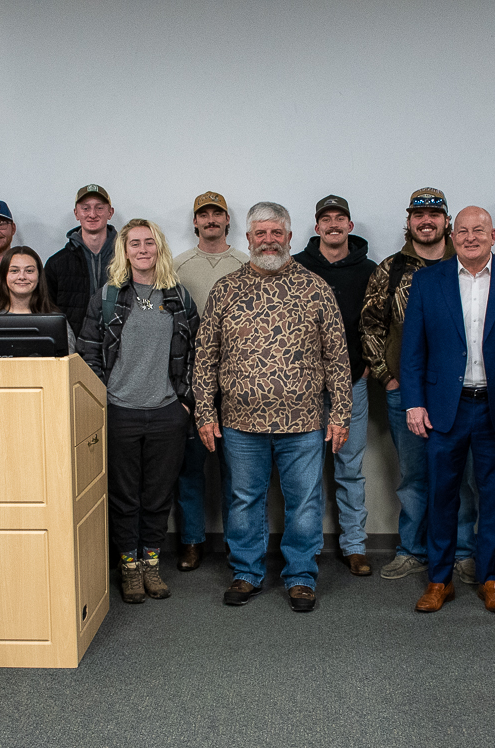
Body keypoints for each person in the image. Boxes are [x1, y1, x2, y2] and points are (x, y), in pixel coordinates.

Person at [194, 202, 351, 613]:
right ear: (247, 239)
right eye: (260, 233)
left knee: (305, 500)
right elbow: (205, 356)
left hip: (303, 422)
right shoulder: (226, 289)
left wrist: (340, 415)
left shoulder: (315, 288)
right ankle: (246, 573)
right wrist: (205, 414)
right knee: (244, 499)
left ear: (290, 237)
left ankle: (300, 576)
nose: (268, 240)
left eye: (276, 233)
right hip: (241, 422)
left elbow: (337, 358)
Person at [400, 206, 495, 615]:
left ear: (494, 235)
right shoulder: (428, 281)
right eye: (462, 230)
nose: (470, 236)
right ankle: (438, 580)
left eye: (478, 230)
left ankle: (492, 579)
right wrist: (414, 402)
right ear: (451, 234)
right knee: (441, 495)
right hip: (446, 408)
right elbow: (413, 350)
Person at [362, 188, 480, 584]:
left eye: (434, 213)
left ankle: (462, 551)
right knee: (414, 477)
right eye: (418, 213)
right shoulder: (391, 269)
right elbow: (370, 326)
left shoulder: (466, 262)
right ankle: (412, 550)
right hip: (406, 392)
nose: (426, 220)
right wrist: (389, 377)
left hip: (458, 392)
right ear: (409, 220)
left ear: (447, 221)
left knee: (459, 475)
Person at [80, 220, 199, 604]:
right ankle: (129, 567)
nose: (143, 249)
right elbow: (88, 351)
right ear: (125, 250)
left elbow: (197, 351)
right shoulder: (109, 296)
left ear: (159, 248)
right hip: (120, 411)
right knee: (124, 496)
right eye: (135, 243)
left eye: (150, 242)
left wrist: (184, 402)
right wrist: (103, 398)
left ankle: (151, 562)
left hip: (167, 412)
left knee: (158, 495)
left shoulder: (177, 296)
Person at [293, 195, 377, 576]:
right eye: (325, 219)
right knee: (306, 473)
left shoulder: (370, 271)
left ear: (350, 226)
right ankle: (307, 548)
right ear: (316, 228)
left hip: (354, 384)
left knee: (349, 469)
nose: (332, 225)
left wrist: (371, 366)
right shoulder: (295, 269)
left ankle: (354, 545)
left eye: (339, 218)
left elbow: (378, 325)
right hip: (305, 389)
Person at [171, 191, 248, 571]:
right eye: (204, 214)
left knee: (239, 472)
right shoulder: (178, 267)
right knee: (190, 467)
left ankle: (241, 545)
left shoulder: (247, 263)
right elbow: (162, 316)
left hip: (237, 382)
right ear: (196, 222)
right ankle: (191, 541)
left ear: (228, 221)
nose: (211, 219)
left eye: (218, 213)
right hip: (189, 381)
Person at [44, 184, 118, 338]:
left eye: (99, 208)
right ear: (76, 213)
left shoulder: (127, 259)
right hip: (74, 349)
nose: (92, 214)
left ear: (110, 212)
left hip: (118, 347)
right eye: (85, 208)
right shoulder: (57, 263)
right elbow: (47, 312)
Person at [0, 245, 77, 353]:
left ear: (39, 277)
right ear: (3, 276)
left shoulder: (56, 321)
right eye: (14, 271)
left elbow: (68, 364)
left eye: (29, 271)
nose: (22, 276)